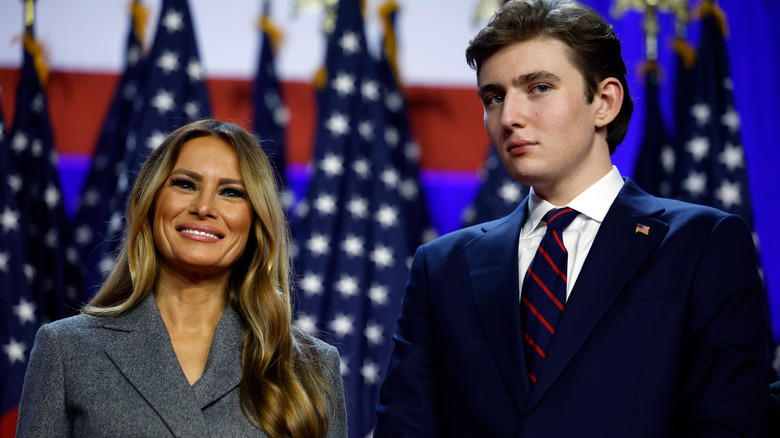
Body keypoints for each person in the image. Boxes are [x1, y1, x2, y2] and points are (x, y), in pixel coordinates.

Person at [375, 0, 769, 436]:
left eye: (539, 87)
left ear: (604, 101)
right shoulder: (441, 267)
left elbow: (729, 425)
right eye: (495, 97)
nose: (509, 117)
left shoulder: (702, 244)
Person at [16, 119, 347, 437]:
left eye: (231, 192)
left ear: (255, 219)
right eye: (185, 184)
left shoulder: (308, 366)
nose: (204, 207)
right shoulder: (66, 349)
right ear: (151, 201)